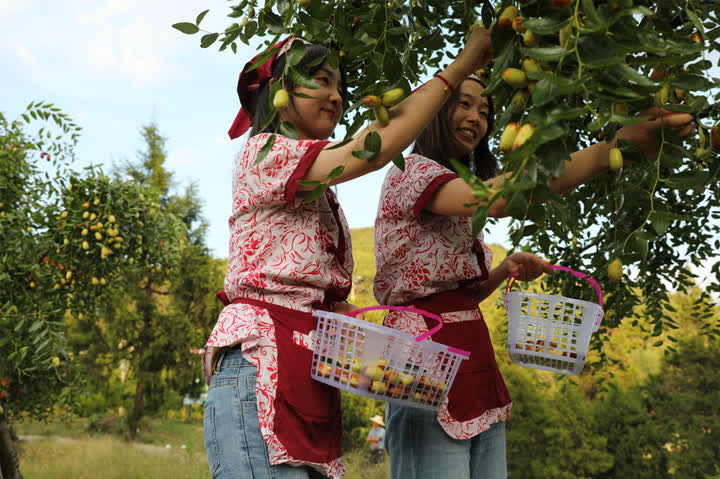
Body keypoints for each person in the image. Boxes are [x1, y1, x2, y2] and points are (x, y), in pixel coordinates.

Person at [202, 26, 495, 479]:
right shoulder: (265, 154)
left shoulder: (318, 194)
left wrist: (356, 319)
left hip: (305, 377)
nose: (337, 96)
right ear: (280, 90)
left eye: (340, 84)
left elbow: (304, 285)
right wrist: (461, 66)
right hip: (264, 366)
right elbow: (373, 150)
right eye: (321, 80)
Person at [373, 74, 695, 479]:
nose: (477, 118)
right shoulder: (411, 172)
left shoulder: (453, 191)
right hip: (422, 364)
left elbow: (457, 297)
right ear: (434, 111)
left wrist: (501, 272)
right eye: (465, 104)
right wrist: (611, 150)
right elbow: (504, 197)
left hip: (472, 356)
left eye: (485, 111)